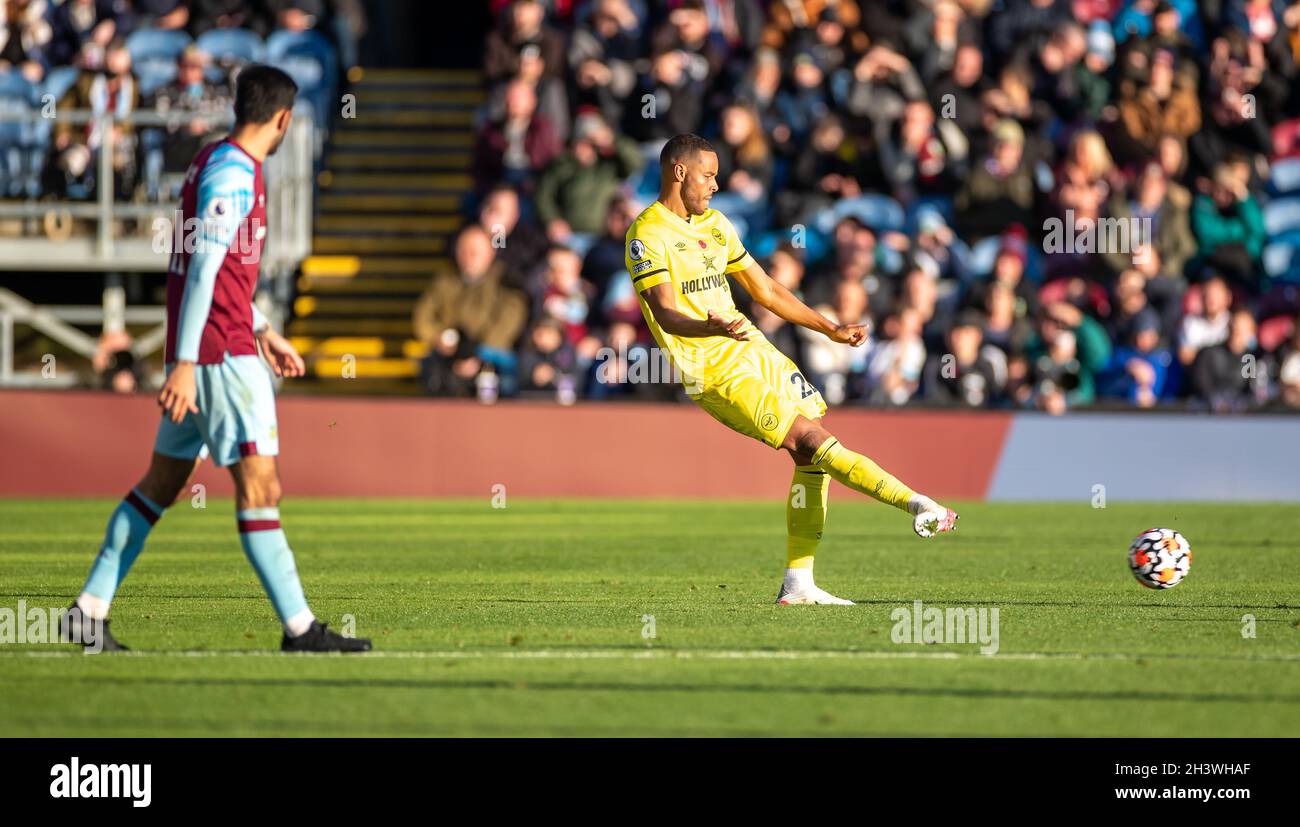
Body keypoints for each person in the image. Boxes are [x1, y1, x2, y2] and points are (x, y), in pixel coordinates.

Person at [61, 66, 370, 654]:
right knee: (261, 487)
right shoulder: (233, 173)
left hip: (222, 341)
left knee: (161, 486)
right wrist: (185, 361)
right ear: (282, 119)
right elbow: (202, 266)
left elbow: (219, 273)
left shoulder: (213, 161)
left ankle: (88, 610)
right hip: (218, 356)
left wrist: (264, 329)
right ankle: (301, 629)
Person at [624, 134, 958, 607]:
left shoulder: (716, 225)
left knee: (811, 452)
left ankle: (799, 582)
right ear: (679, 172)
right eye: (709, 174)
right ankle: (918, 503)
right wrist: (707, 324)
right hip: (713, 369)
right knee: (809, 442)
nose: (716, 185)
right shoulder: (647, 234)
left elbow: (766, 290)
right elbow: (666, 313)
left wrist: (830, 328)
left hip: (754, 352)